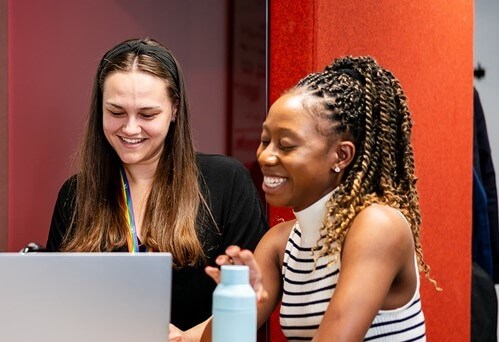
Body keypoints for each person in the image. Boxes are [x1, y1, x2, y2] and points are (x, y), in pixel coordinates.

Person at [45, 38, 268, 340]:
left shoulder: (225, 181)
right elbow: (57, 307)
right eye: (116, 112)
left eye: (148, 115)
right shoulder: (76, 195)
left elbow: (255, 296)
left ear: (175, 110)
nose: (130, 128)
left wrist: (188, 339)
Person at [206, 55, 438, 341]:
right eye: (265, 140)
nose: (265, 156)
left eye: (286, 145)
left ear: (341, 155)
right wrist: (236, 307)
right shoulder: (280, 243)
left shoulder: (378, 225)